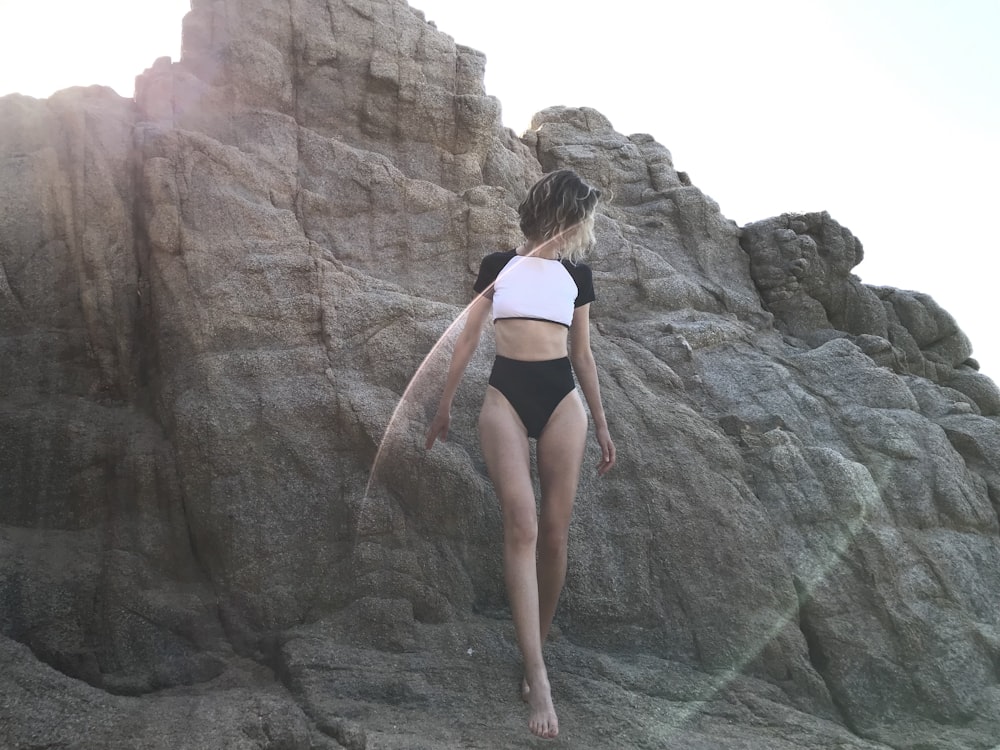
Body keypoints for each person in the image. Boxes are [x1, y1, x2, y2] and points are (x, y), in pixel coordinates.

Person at [424, 169, 616, 739]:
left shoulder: (577, 276)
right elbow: (466, 336)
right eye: (583, 216)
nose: (586, 228)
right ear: (565, 214)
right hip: (505, 396)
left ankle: (536, 652)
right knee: (522, 524)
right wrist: (444, 405)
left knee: (555, 532)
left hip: (562, 401)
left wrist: (604, 425)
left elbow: (582, 355)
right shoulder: (496, 265)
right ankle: (537, 671)